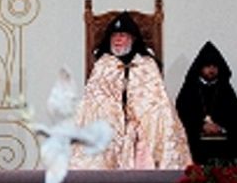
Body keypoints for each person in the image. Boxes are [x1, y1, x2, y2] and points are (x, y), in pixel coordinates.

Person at [69, 12, 190, 170]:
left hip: (141, 128)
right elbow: (92, 104)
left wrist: (135, 122)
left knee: (149, 133)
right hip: (107, 127)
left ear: (133, 39)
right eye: (114, 35)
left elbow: (157, 103)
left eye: (123, 35)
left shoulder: (147, 66)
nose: (118, 39)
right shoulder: (103, 66)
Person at [176, 41, 237, 164]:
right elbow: (182, 113)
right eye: (207, 66)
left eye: (214, 67)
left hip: (222, 149)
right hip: (196, 146)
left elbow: (235, 114)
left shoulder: (225, 89)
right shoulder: (189, 89)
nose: (211, 70)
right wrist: (201, 126)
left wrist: (220, 127)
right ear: (200, 68)